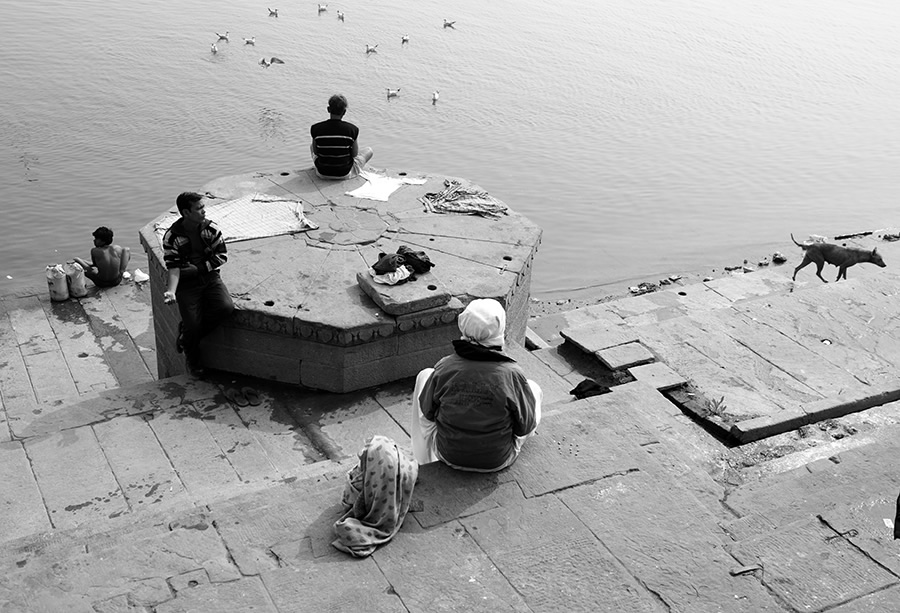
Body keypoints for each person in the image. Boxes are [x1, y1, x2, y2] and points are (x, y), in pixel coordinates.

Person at [410, 298, 543, 472]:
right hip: (496, 460)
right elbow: (524, 427)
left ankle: (422, 459)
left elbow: (428, 412)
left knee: (425, 376)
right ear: (499, 330)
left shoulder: (444, 367)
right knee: (533, 388)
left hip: (447, 454)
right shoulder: (511, 374)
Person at [161, 192, 234, 377]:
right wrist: (171, 291)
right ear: (186, 212)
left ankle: (186, 337)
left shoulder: (211, 229)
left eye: (203, 207)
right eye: (199, 209)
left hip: (210, 278)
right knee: (192, 324)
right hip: (187, 284)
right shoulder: (171, 236)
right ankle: (193, 360)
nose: (203, 211)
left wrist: (199, 269)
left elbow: (222, 256)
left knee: (226, 307)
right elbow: (173, 267)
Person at [310, 94, 374, 180]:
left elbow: (315, 152)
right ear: (344, 112)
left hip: (322, 173)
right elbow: (354, 154)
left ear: (328, 109)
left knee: (311, 146)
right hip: (344, 173)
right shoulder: (352, 129)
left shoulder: (315, 128)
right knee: (369, 150)